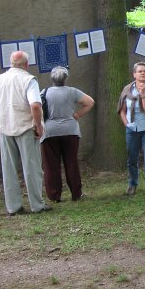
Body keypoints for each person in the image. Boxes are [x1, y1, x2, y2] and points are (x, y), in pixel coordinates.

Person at [0, 51, 52, 215]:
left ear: (11, 64)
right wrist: (38, 126)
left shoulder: (0, 79)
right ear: (26, 64)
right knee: (32, 167)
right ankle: (37, 204)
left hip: (5, 128)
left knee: (9, 169)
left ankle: (13, 206)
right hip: (26, 127)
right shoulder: (28, 79)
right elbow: (35, 105)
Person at [41, 66, 95, 202]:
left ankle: (54, 195)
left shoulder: (44, 92)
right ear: (66, 78)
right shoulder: (72, 92)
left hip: (49, 131)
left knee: (51, 164)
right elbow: (90, 102)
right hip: (70, 131)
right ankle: (76, 193)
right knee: (71, 162)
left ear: (52, 78)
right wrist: (77, 114)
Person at [117, 62, 145, 203]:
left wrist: (143, 95)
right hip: (132, 129)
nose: (142, 73)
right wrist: (127, 124)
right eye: (140, 71)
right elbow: (122, 110)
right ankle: (132, 184)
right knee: (132, 160)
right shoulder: (127, 89)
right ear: (134, 74)